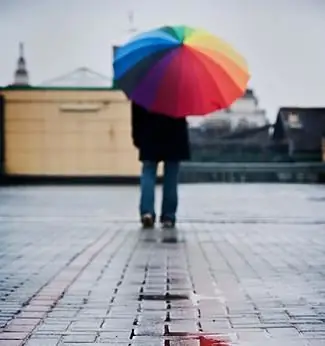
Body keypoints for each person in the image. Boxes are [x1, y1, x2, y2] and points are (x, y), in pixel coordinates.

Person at [131, 102, 190, 229]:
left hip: (149, 135)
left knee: (148, 174)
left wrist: (137, 137)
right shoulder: (179, 87)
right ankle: (168, 217)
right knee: (171, 178)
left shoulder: (143, 86)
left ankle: (147, 212)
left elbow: (136, 115)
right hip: (174, 136)